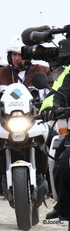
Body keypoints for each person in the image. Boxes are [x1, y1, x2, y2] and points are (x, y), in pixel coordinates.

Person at [0, 36, 51, 199]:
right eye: (14, 54)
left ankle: (50, 180)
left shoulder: (42, 71)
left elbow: (54, 89)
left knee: (52, 138)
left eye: (21, 54)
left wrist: (54, 103)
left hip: (35, 119)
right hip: (6, 120)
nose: (17, 58)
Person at [40, 65, 70, 220]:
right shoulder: (69, 71)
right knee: (62, 162)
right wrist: (51, 107)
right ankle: (64, 208)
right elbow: (56, 93)